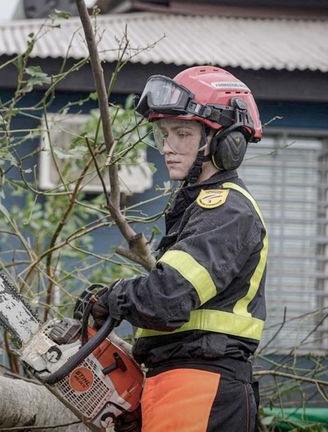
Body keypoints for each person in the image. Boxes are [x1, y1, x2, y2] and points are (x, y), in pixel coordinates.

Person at [92, 66, 268, 432]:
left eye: (183, 134)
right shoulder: (197, 208)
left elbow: (166, 299)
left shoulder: (226, 210)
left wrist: (114, 297)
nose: (167, 147)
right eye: (164, 134)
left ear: (226, 142)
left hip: (201, 384)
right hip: (179, 382)